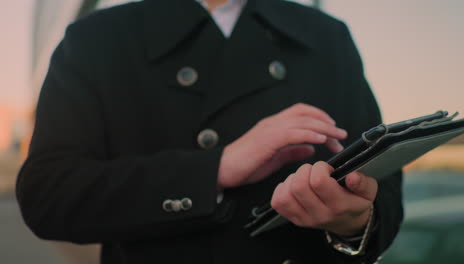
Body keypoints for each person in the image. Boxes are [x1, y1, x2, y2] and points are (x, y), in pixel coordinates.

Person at [16, 0, 403, 263]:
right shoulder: (95, 39)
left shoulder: (327, 36)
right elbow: (48, 197)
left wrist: (354, 222)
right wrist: (217, 167)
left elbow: (384, 193)